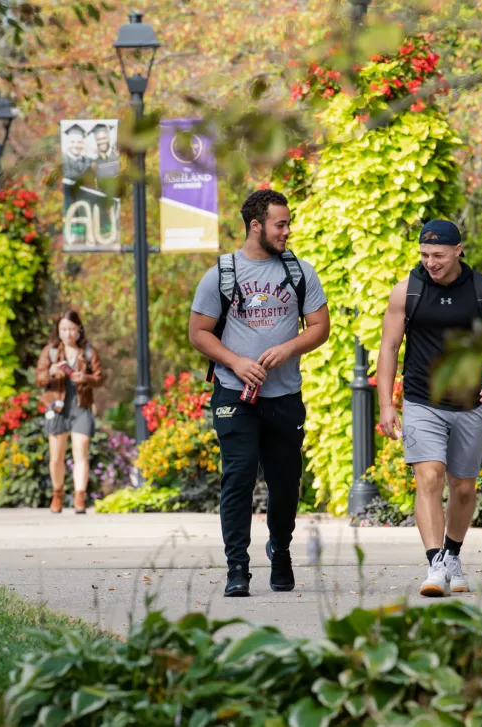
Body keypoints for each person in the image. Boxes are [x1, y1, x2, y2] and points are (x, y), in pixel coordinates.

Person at [189, 189, 330, 597]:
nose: (287, 231)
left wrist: (289, 348)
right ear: (257, 226)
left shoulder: (300, 272)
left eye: (288, 223)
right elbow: (198, 332)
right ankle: (238, 567)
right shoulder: (222, 273)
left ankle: (280, 549)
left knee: (286, 483)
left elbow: (320, 327)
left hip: (284, 396)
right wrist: (234, 362)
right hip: (235, 396)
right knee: (239, 477)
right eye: (280, 224)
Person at [376, 219, 482, 597]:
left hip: (470, 405)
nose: (430, 262)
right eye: (424, 254)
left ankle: (452, 553)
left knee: (464, 488)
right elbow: (388, 349)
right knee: (430, 478)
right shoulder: (408, 291)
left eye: (437, 255)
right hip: (422, 402)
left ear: (458, 250)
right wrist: (387, 404)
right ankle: (436, 564)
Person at [36, 311, 103, 514]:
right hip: (57, 408)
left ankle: (79, 498)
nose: (68, 333)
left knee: (80, 453)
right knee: (56, 457)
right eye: (64, 329)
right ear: (58, 330)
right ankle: (57, 494)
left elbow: (99, 378)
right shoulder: (51, 351)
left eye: (72, 328)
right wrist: (50, 374)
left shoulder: (88, 351)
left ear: (79, 329)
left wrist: (87, 378)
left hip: (81, 406)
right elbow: (38, 378)